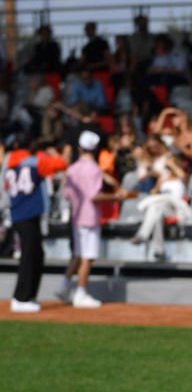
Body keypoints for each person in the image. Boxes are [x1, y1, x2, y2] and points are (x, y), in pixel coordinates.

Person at [4, 132, 67, 312]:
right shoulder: (36, 160)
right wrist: (50, 152)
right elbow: (61, 164)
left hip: (17, 212)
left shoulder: (9, 161)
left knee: (37, 255)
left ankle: (29, 296)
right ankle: (21, 297)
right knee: (29, 256)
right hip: (28, 213)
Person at [57, 130, 112, 308]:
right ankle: (80, 292)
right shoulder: (94, 169)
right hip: (89, 217)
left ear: (80, 148)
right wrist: (117, 197)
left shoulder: (72, 169)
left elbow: (66, 193)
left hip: (77, 216)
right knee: (87, 256)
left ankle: (64, 287)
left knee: (79, 254)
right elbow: (95, 196)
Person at [130, 155, 191, 259]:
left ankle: (143, 234)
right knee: (156, 210)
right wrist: (159, 183)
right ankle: (158, 249)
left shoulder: (181, 177)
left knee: (162, 201)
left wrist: (171, 164)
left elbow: (182, 175)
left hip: (176, 208)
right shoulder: (163, 178)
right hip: (163, 207)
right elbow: (154, 192)